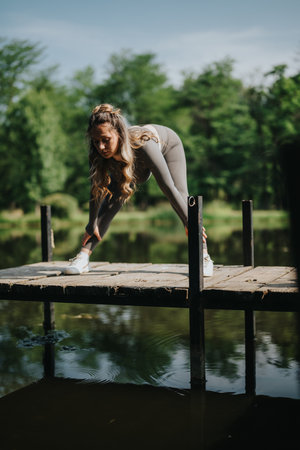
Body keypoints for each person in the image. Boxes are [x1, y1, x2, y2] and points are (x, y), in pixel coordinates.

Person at [64, 104, 213, 276]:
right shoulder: (97, 154)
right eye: (96, 141)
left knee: (181, 197)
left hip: (167, 147)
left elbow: (167, 186)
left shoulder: (143, 145)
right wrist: (91, 223)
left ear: (118, 134)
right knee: (113, 199)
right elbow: (96, 190)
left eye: (106, 140)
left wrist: (189, 221)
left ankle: (203, 256)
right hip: (131, 165)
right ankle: (83, 258)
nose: (101, 147)